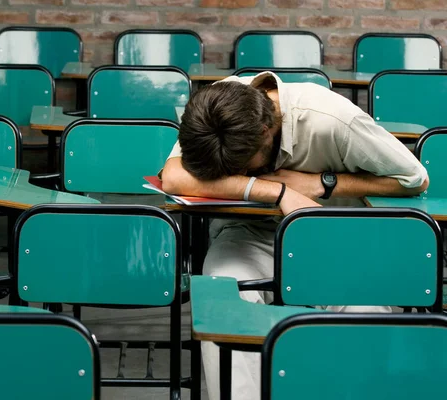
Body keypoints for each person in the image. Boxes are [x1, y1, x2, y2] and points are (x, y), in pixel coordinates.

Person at [160, 71, 429, 400]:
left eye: (242, 166)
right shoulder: (214, 108)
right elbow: (173, 178)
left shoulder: (333, 119)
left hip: (334, 238)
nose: (237, 176)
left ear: (265, 132)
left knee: (366, 307)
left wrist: (323, 183)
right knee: (223, 288)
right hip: (247, 235)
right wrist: (277, 191)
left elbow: (413, 179)